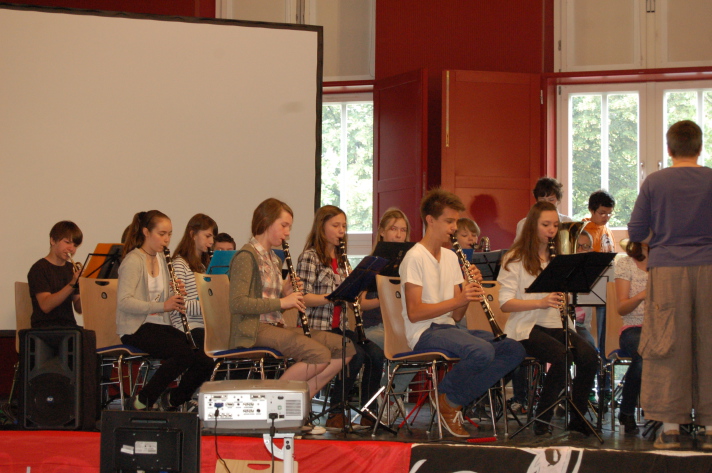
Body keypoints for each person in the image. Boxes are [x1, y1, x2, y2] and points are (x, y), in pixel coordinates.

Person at [400, 188, 525, 437]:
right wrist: (458, 298)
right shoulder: (414, 257)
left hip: (449, 327)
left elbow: (457, 316)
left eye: (456, 221)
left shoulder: (450, 256)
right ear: (430, 220)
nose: (454, 228)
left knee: (514, 349)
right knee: (481, 351)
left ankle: (450, 400)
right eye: (449, 221)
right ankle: (449, 398)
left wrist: (468, 291)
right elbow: (414, 313)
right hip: (424, 331)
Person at [628, 119, 712, 449]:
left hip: (667, 271)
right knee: (709, 341)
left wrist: (660, 239)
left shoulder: (655, 182)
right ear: (700, 147)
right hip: (709, 268)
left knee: (665, 342)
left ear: (669, 148)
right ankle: (709, 429)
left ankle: (671, 426)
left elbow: (635, 231)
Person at [229, 198, 353, 411]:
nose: (287, 232)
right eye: (284, 226)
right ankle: (273, 404)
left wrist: (287, 293)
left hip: (275, 326)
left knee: (345, 348)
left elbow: (272, 300)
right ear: (266, 222)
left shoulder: (274, 259)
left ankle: (297, 403)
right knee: (319, 355)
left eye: (289, 227)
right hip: (252, 329)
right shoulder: (246, 256)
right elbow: (238, 304)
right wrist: (282, 301)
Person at [498, 201, 598, 436]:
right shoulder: (514, 258)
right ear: (533, 226)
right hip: (526, 326)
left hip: (555, 323)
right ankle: (542, 418)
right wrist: (541, 302)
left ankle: (578, 416)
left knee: (589, 355)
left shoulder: (560, 258)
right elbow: (505, 304)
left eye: (555, 225)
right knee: (563, 357)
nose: (552, 230)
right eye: (546, 225)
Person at [297, 205, 385, 429]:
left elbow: (349, 296)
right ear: (321, 226)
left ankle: (368, 411)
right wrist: (331, 297)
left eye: (344, 226)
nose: (341, 231)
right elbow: (303, 297)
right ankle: (336, 411)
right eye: (335, 225)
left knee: (375, 354)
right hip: (318, 326)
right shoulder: (309, 257)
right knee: (353, 354)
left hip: (341, 326)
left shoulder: (342, 260)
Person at [117, 210, 214, 411]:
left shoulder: (162, 259)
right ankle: (143, 400)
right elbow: (125, 302)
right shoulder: (133, 260)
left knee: (204, 356)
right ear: (146, 232)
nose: (167, 239)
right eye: (161, 234)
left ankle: (172, 399)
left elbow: (160, 296)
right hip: (136, 327)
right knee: (183, 354)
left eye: (169, 234)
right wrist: (163, 305)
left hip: (160, 324)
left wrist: (175, 290)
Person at [360, 208, 412, 417]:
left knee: (421, 345)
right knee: (401, 346)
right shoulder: (371, 262)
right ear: (382, 232)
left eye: (403, 230)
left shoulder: (411, 263)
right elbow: (361, 304)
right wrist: (385, 298)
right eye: (393, 229)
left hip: (401, 327)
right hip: (374, 328)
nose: (399, 235)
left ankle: (390, 394)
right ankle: (387, 395)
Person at [170, 213, 219, 354]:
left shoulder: (205, 267)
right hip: (188, 326)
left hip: (205, 325)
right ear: (193, 234)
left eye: (213, 238)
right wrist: (209, 305)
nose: (211, 242)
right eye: (207, 236)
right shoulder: (180, 263)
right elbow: (179, 304)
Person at [614, 239, 648, 435]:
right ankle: (626, 411)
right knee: (644, 354)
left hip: (664, 325)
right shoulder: (626, 263)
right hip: (633, 327)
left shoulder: (665, 261)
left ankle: (675, 413)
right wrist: (642, 295)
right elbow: (621, 307)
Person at [28, 221, 83, 328]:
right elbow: (45, 306)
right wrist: (72, 284)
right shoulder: (39, 268)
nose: (71, 249)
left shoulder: (71, 269)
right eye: (67, 242)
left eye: (75, 245)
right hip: (45, 327)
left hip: (68, 327)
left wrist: (89, 289)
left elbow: (79, 309)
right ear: (53, 240)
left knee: (89, 337)